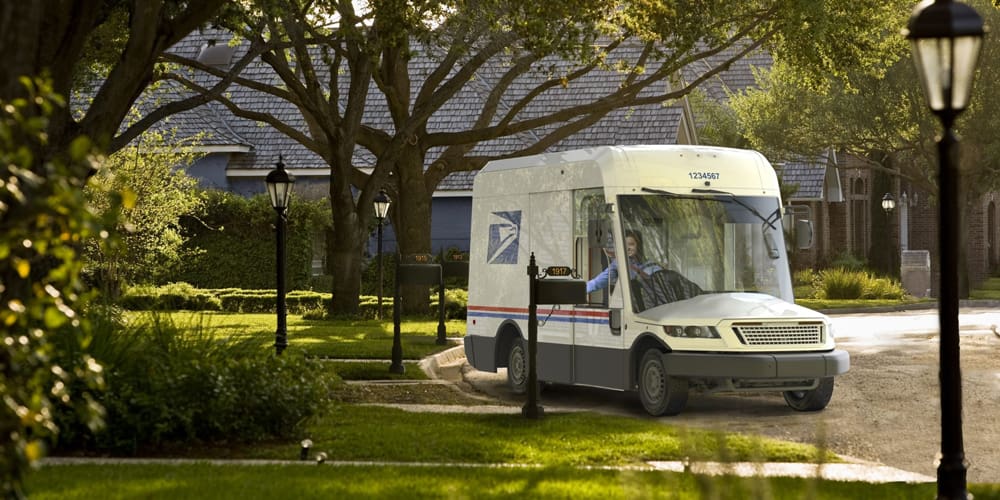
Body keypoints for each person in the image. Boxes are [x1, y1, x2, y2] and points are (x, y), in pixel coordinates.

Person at [587, 231, 662, 294]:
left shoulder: (652, 266)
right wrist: (579, 289)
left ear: (638, 246)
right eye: (624, 245)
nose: (628, 248)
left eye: (631, 244)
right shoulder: (618, 264)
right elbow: (597, 283)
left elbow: (661, 286)